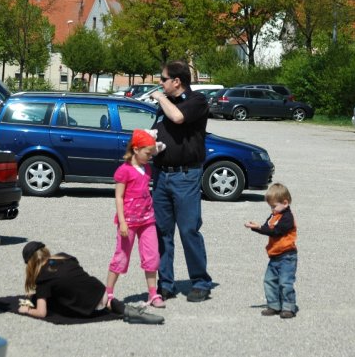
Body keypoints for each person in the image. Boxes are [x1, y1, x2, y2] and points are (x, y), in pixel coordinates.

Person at [150, 60, 213, 303]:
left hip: (185, 176)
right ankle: (166, 283)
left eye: (163, 79)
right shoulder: (165, 105)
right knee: (162, 231)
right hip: (161, 174)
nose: (160, 83)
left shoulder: (196, 101)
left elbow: (178, 117)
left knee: (188, 230)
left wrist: (159, 97)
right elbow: (160, 130)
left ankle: (200, 282)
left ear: (177, 81)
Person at [19, 241, 164, 325]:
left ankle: (125, 310)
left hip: (89, 309)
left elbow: (42, 312)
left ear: (30, 264)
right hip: (102, 292)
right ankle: (124, 309)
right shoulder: (64, 257)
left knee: (47, 302)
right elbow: (75, 279)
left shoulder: (43, 279)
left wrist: (27, 310)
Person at [106, 129, 165, 308]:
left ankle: (153, 294)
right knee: (121, 257)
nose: (150, 157)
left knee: (152, 256)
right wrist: (122, 222)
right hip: (129, 222)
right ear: (136, 149)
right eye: (147, 153)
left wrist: (153, 143)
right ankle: (108, 294)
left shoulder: (147, 168)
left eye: (151, 153)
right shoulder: (124, 171)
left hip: (147, 220)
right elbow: (119, 197)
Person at [244, 183, 299, 319]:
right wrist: (256, 227)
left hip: (287, 256)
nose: (272, 210)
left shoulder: (287, 218)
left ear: (285, 203)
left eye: (274, 206)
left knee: (285, 282)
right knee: (269, 280)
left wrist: (259, 228)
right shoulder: (274, 215)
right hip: (274, 255)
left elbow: (276, 231)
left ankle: (288, 307)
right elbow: (267, 228)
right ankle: (274, 305)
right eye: (270, 207)